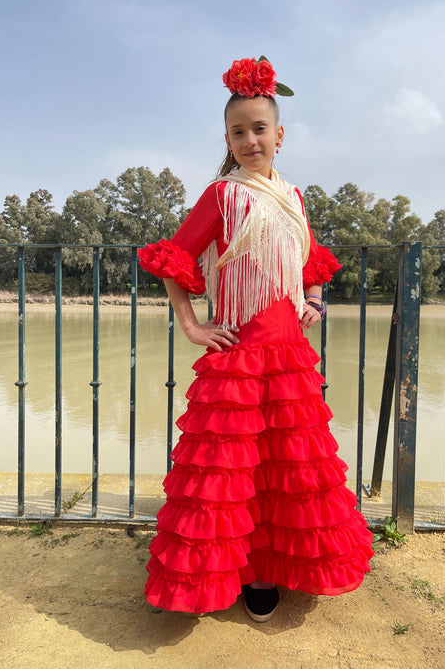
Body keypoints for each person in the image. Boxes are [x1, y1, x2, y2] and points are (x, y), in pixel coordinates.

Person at [138, 57, 373, 622]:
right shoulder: (221, 196)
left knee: (284, 469)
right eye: (238, 131)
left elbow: (311, 261)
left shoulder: (293, 197)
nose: (250, 139)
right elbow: (174, 258)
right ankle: (232, 572)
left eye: (259, 128)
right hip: (239, 355)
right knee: (229, 475)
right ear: (227, 138)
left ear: (280, 135)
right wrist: (192, 324)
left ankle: (271, 570)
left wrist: (315, 298)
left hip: (290, 356)